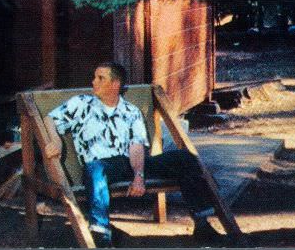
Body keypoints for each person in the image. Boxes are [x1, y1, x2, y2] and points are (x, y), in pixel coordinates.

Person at [43, 62, 222, 247]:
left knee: (185, 158)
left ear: (115, 84)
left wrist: (138, 175)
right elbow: (49, 118)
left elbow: (136, 147)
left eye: (100, 78)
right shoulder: (81, 103)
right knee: (94, 168)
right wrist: (55, 141)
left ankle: (202, 224)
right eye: (95, 77)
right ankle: (101, 234)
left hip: (131, 163)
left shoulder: (132, 112)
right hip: (102, 167)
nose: (93, 82)